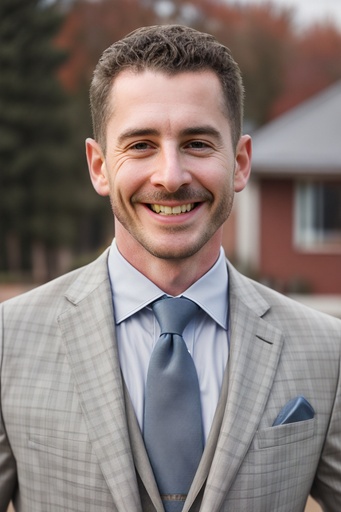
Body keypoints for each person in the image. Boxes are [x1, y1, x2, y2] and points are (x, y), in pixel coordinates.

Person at [0, 24, 340, 512]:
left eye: (198, 143)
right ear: (99, 166)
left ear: (240, 162)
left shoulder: (329, 354)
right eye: (140, 145)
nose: (171, 176)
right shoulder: (7, 342)